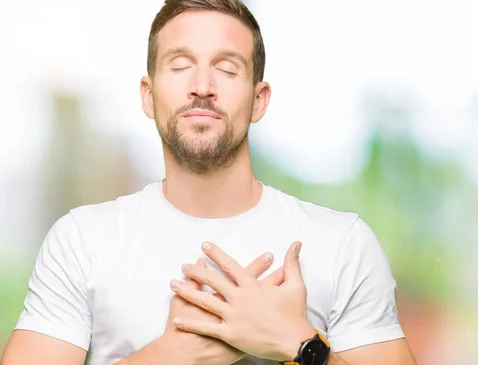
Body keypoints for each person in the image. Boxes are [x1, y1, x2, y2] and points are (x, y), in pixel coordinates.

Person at [1, 1, 418, 364]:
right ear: (148, 94)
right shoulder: (81, 241)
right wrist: (164, 358)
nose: (202, 87)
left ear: (259, 100)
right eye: (180, 66)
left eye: (226, 68)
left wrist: (298, 343)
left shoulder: (342, 243)